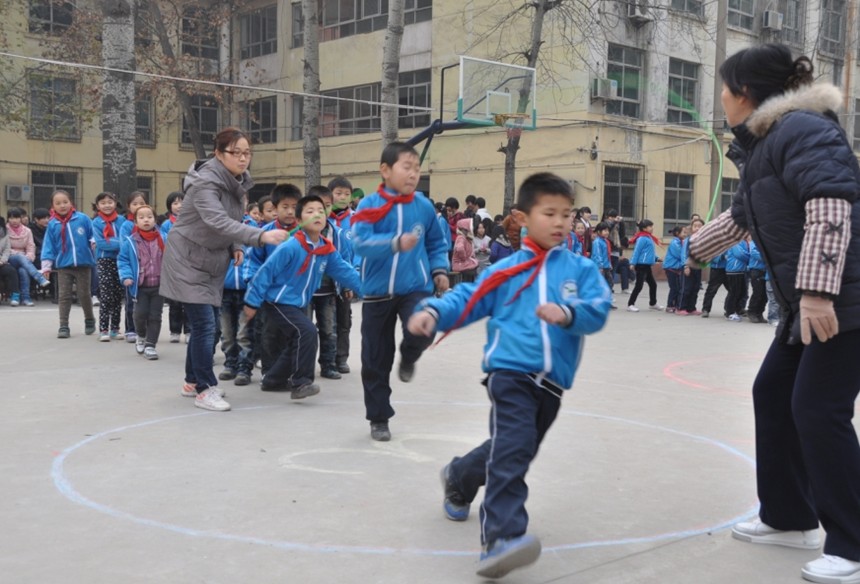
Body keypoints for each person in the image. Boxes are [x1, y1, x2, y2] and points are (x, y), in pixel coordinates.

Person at [687, 44, 860, 584]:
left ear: (745, 93)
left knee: (817, 410)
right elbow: (742, 218)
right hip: (806, 307)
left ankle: (853, 543)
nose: (719, 98)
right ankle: (789, 517)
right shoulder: (765, 146)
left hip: (842, 302)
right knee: (773, 394)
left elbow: (831, 204)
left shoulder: (803, 131)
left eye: (723, 87)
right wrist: (691, 250)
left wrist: (815, 292)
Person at [407, 172, 612, 579]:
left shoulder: (582, 269)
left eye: (566, 215)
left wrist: (568, 313)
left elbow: (599, 309)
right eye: (549, 213)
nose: (560, 222)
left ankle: (460, 475)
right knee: (514, 448)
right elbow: (469, 298)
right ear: (521, 217)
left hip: (552, 386)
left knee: (513, 450)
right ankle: (500, 538)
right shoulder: (506, 270)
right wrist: (433, 311)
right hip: (510, 375)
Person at [159, 127, 288, 412]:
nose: (243, 159)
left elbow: (230, 219)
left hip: (211, 258)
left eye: (247, 153)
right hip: (187, 260)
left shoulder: (236, 181)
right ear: (218, 154)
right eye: (236, 153)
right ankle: (205, 389)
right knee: (206, 325)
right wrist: (259, 236)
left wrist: (235, 247)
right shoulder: (205, 183)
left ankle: (192, 381)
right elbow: (217, 220)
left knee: (204, 324)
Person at [351, 141, 449, 441]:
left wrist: (439, 270)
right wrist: (394, 243)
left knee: (425, 326)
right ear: (385, 170)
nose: (413, 174)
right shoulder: (369, 205)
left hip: (415, 288)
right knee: (375, 358)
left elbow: (436, 242)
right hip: (377, 293)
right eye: (407, 167)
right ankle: (379, 418)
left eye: (417, 168)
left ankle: (409, 356)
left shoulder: (423, 206)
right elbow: (359, 243)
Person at [244, 194, 361, 398]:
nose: (317, 214)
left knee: (297, 340)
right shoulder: (291, 246)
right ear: (299, 221)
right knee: (307, 332)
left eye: (320, 211)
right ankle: (301, 383)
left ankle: (272, 380)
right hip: (277, 301)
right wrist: (252, 301)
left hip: (297, 303)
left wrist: (371, 291)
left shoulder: (325, 248)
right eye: (310, 211)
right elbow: (266, 272)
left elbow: (346, 271)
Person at [304, 185, 352, 380]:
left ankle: (329, 364)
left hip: (329, 292)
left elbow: (346, 261)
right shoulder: (299, 234)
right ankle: (304, 367)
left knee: (329, 330)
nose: (321, 212)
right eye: (315, 207)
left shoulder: (338, 235)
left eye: (326, 206)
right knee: (305, 331)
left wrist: (348, 284)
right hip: (304, 292)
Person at [41, 190, 96, 338]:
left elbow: (92, 234)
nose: (62, 205)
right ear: (52, 206)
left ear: (71, 202)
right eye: (58, 203)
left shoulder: (82, 219)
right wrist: (46, 265)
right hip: (64, 266)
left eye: (65, 202)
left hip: (83, 265)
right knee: (64, 296)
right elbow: (48, 246)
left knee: (84, 294)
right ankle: (63, 325)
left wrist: (93, 242)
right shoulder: (53, 224)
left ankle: (89, 318)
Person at [118, 205, 164, 360]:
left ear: (155, 220)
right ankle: (141, 335)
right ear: (135, 222)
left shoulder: (163, 239)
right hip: (140, 287)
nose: (146, 220)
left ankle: (151, 345)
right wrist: (126, 276)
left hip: (159, 285)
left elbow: (171, 259)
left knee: (155, 316)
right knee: (139, 314)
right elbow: (123, 260)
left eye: (150, 217)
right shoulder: (131, 242)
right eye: (142, 217)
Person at [328, 176, 357, 374]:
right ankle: (326, 359)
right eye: (338, 193)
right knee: (325, 322)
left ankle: (341, 358)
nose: (342, 197)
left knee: (344, 320)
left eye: (347, 194)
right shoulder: (320, 217)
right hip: (324, 277)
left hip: (345, 277)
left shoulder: (356, 219)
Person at [91, 192, 126, 340]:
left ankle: (115, 329)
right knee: (106, 295)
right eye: (103, 203)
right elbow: (101, 243)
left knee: (118, 296)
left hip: (122, 261)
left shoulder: (122, 220)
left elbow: (127, 238)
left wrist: (114, 242)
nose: (107, 205)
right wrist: (120, 243)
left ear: (115, 203)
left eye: (110, 202)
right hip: (105, 261)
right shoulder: (96, 222)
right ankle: (103, 329)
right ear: (98, 206)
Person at [7, 207, 50, 306]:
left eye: (17, 218)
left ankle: (25, 298)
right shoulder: (5, 230)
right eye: (12, 218)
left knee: (23, 270)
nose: (14, 220)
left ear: (20, 219)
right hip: (10, 257)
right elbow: (5, 248)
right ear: (8, 219)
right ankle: (39, 278)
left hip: (25, 259)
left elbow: (31, 246)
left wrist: (29, 256)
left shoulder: (27, 231)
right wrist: (20, 255)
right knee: (20, 257)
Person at [160, 192, 188, 343]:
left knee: (190, 301)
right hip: (173, 266)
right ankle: (175, 330)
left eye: (182, 202)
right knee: (175, 302)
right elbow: (164, 241)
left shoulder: (192, 221)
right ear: (170, 207)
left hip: (190, 266)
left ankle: (189, 330)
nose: (179, 206)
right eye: (175, 203)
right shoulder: (166, 224)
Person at [626, 220, 663, 312]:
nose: (652, 228)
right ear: (644, 228)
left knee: (653, 284)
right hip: (641, 265)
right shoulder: (642, 238)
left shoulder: (648, 237)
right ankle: (630, 304)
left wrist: (656, 258)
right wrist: (632, 263)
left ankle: (653, 303)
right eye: (650, 226)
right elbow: (637, 252)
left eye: (652, 226)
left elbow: (649, 252)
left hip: (647, 265)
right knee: (639, 286)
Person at [678, 217, 704, 316]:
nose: (697, 228)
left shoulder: (702, 240)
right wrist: (685, 266)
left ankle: (691, 307)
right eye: (695, 226)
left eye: (699, 226)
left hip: (698, 267)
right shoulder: (688, 240)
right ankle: (681, 307)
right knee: (686, 288)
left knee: (695, 288)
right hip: (688, 267)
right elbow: (684, 254)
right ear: (691, 228)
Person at [724, 237, 750, 321]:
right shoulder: (735, 241)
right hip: (734, 270)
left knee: (741, 292)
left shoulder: (744, 241)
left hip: (741, 270)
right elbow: (740, 254)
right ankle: (729, 312)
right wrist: (750, 257)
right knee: (734, 292)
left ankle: (737, 310)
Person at [663, 226, 686, 313]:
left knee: (677, 287)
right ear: (677, 233)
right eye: (683, 232)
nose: (685, 234)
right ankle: (670, 305)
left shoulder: (680, 242)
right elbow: (681, 254)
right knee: (674, 288)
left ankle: (675, 304)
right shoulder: (675, 243)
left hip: (676, 268)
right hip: (671, 268)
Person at [0, 218, 22, 304]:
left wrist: (2, 261)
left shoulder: (5, 235)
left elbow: (7, 250)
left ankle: (15, 296)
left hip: (1, 262)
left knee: (11, 271)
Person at [746, 239, 768, 323]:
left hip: (765, 271)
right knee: (757, 292)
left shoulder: (769, 241)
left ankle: (759, 313)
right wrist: (767, 257)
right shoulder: (754, 242)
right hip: (756, 270)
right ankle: (752, 312)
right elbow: (754, 253)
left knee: (764, 295)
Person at [452, 217, 479, 282]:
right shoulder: (461, 237)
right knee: (472, 271)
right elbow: (460, 248)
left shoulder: (466, 238)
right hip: (460, 264)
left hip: (463, 263)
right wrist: (464, 258)